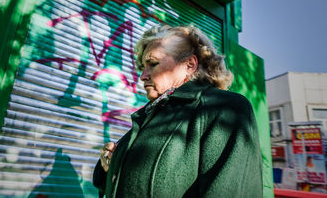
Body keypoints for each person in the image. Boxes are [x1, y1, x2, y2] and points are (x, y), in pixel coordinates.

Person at [93, 25, 263, 197]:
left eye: (153, 63)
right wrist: (111, 166)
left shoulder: (226, 108)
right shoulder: (150, 114)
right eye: (143, 67)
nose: (143, 76)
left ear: (189, 64)